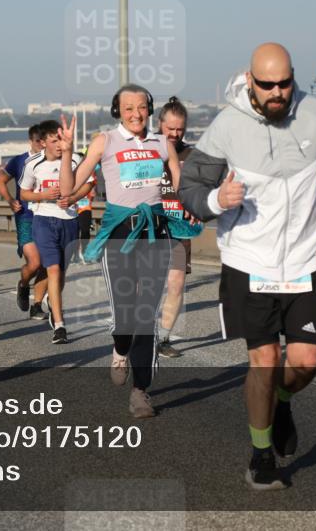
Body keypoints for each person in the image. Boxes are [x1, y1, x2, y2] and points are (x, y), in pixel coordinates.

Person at [178, 43, 316, 491]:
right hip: (249, 261)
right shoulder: (227, 126)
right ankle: (261, 456)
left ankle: (282, 399)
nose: (277, 93)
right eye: (266, 85)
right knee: (265, 359)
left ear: (293, 76)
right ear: (250, 80)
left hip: (305, 259)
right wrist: (217, 199)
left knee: (307, 362)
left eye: (284, 83)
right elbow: (190, 188)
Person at [59, 84, 193, 419]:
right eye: (128, 108)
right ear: (117, 110)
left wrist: (194, 206)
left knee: (146, 314)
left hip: (155, 234)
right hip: (119, 236)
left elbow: (181, 186)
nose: (136, 114)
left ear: (150, 109)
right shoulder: (105, 141)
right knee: (125, 316)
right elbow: (67, 188)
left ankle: (140, 391)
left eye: (141, 107)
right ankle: (120, 349)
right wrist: (66, 153)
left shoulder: (162, 143)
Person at [19, 120, 95, 342]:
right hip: (43, 220)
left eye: (61, 140)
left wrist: (72, 198)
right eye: (55, 141)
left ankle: (52, 302)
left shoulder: (75, 159)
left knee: (60, 273)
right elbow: (24, 193)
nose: (60, 145)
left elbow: (90, 183)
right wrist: (43, 195)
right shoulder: (33, 163)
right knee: (51, 269)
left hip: (69, 220)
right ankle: (60, 325)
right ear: (44, 143)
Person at [156, 96, 199, 358]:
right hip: (149, 227)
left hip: (179, 230)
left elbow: (202, 190)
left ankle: (162, 338)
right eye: (170, 128)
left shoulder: (192, 156)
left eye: (180, 129)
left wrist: (197, 208)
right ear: (159, 124)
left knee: (176, 283)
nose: (174, 133)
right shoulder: (146, 149)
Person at [0, 124, 49, 319]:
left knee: (46, 263)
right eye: (37, 141)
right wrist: (11, 200)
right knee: (34, 263)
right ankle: (23, 284)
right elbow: (0, 181)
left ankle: (37, 305)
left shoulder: (52, 160)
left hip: (47, 217)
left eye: (44, 141)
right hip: (26, 217)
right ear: (30, 141)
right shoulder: (19, 161)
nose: (41, 144)